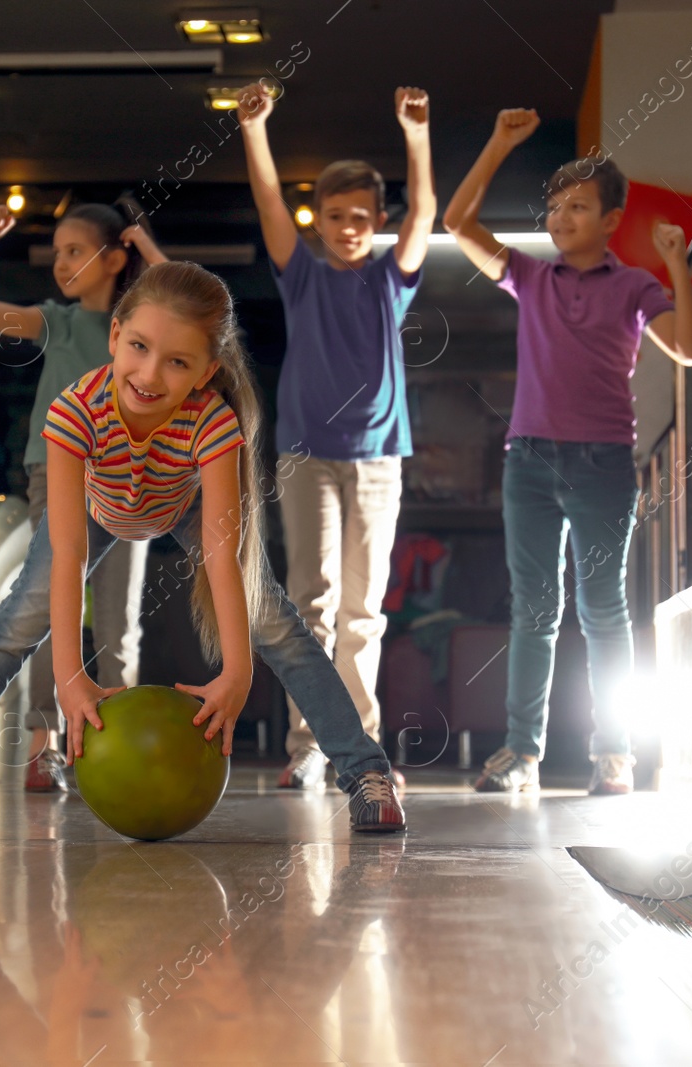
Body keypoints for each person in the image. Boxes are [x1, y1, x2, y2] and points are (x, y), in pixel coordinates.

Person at [0, 262, 406, 833]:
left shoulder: (212, 421)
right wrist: (70, 677)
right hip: (93, 510)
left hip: (183, 506)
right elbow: (68, 554)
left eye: (177, 361)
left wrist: (237, 671)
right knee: (11, 626)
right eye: (139, 346)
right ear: (115, 336)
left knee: (279, 624)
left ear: (207, 371)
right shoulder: (74, 413)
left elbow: (223, 554)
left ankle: (365, 774)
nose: (150, 373)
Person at [442, 108, 692, 795]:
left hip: (601, 465)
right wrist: (499, 142)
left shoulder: (633, 287)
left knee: (603, 609)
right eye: (555, 207)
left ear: (611, 220)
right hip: (526, 461)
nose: (561, 219)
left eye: (578, 207)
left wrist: (677, 266)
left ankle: (614, 754)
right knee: (533, 608)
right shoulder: (530, 278)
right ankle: (522, 754)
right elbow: (456, 225)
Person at [236, 83, 435, 791]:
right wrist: (256, 129)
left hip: (379, 458)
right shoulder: (303, 278)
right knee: (311, 602)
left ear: (378, 220)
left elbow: (426, 215)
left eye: (360, 216)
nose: (348, 226)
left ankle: (362, 746)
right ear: (315, 220)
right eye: (334, 215)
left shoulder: (391, 279)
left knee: (363, 610)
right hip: (306, 455)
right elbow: (266, 202)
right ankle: (309, 744)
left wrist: (416, 135)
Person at [0, 200, 165, 792]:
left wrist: (148, 249)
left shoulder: (142, 328)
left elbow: (190, 301)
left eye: (74, 251)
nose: (61, 263)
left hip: (129, 481)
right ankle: (41, 749)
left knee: (117, 623)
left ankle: (113, 746)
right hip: (55, 475)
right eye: (57, 254)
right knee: (51, 616)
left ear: (114, 258)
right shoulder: (57, 320)